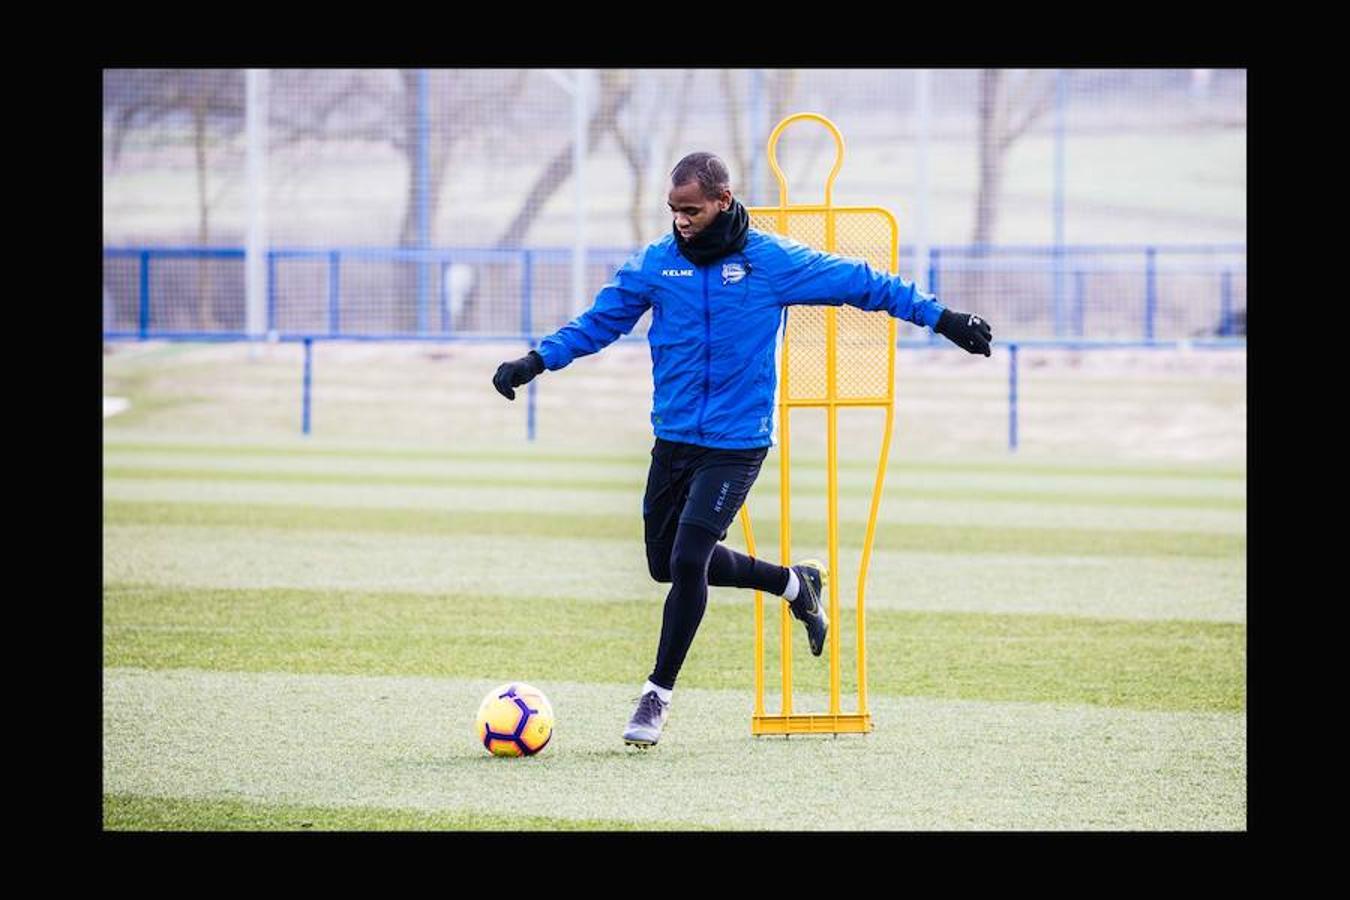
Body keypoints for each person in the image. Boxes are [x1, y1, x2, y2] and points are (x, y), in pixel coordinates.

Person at [493, 152, 993, 748]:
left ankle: (656, 696)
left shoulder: (771, 261)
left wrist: (942, 318)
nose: (681, 220)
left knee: (688, 560)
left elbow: (864, 283)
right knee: (665, 564)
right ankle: (794, 583)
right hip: (674, 437)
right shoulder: (656, 264)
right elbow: (598, 323)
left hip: (737, 442)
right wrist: (536, 360)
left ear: (723, 200)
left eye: (691, 210)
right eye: (673, 210)